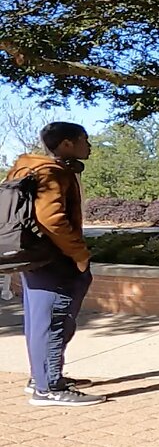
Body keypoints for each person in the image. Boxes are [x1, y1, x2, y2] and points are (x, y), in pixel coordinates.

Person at [8, 122, 102, 406]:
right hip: (54, 259)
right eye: (84, 139)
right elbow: (51, 219)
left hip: (34, 257)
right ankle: (48, 388)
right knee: (53, 321)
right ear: (66, 144)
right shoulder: (51, 172)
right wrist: (79, 253)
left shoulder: (26, 168)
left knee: (41, 321)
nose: (89, 145)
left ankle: (43, 377)